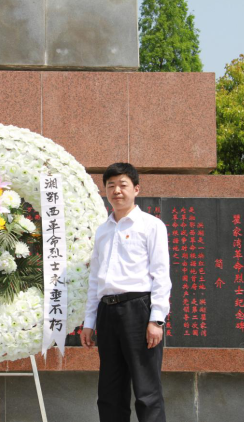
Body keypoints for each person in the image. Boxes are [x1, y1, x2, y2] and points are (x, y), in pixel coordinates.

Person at [80, 162, 171, 422]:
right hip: (107, 312)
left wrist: (156, 319)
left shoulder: (151, 225)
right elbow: (95, 280)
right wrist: (90, 322)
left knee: (146, 390)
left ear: (136, 189)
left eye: (123, 185)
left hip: (138, 310)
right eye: (111, 186)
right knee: (110, 390)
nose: (116, 191)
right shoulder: (102, 231)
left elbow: (161, 274)